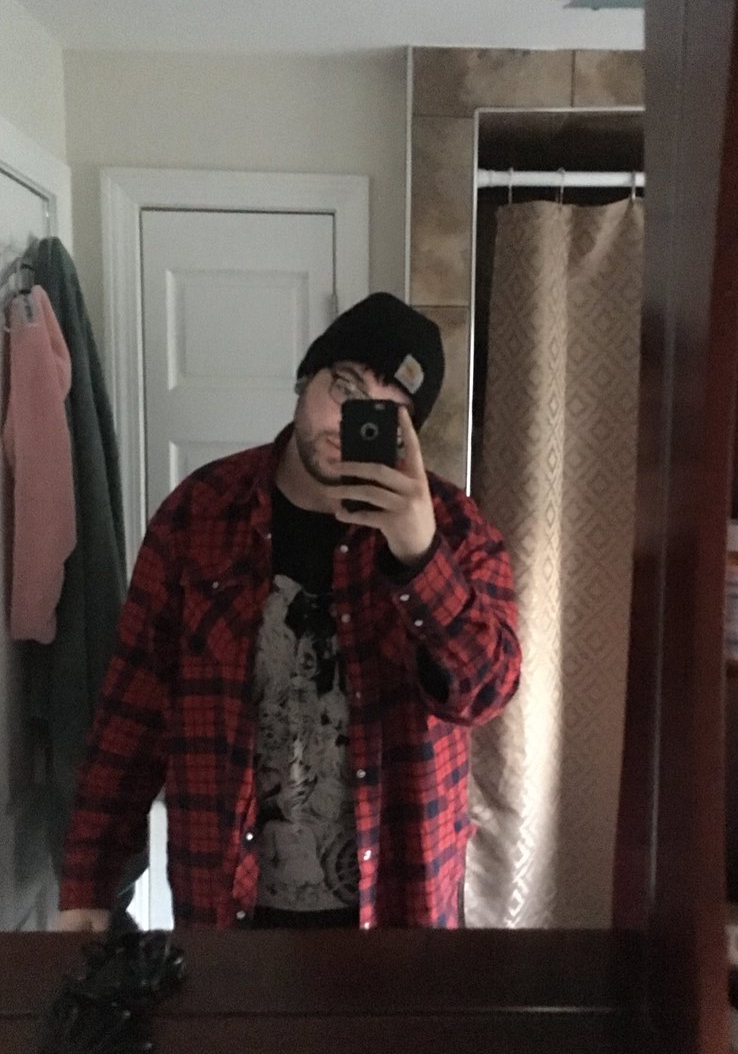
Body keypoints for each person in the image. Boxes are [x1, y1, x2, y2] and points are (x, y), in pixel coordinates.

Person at [58, 292, 521, 932]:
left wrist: (419, 556)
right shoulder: (198, 515)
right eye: (345, 387)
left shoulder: (457, 533)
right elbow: (131, 715)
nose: (352, 419)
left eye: (388, 412)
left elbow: (487, 692)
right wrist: (89, 884)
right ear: (306, 378)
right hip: (227, 908)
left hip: (397, 909)